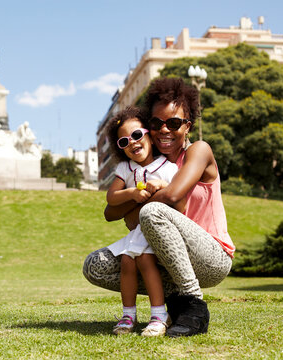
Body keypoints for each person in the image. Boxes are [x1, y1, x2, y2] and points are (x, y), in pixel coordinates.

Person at [83, 77, 235, 338]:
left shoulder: (199, 151)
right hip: (168, 257)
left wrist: (135, 208)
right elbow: (110, 213)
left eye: (174, 123)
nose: (165, 129)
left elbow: (173, 195)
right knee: (95, 265)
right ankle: (168, 306)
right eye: (156, 123)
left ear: (188, 126)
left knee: (151, 212)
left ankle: (194, 306)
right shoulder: (150, 164)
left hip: (211, 256)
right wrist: (137, 196)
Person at [105, 106, 178, 336]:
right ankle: (128, 315)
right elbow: (111, 198)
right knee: (128, 261)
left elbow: (179, 198)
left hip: (158, 230)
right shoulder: (124, 169)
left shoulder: (167, 167)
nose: (133, 143)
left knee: (145, 260)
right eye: (124, 142)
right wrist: (132, 194)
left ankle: (158, 315)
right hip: (137, 232)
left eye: (137, 135)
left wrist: (163, 186)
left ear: (149, 134)